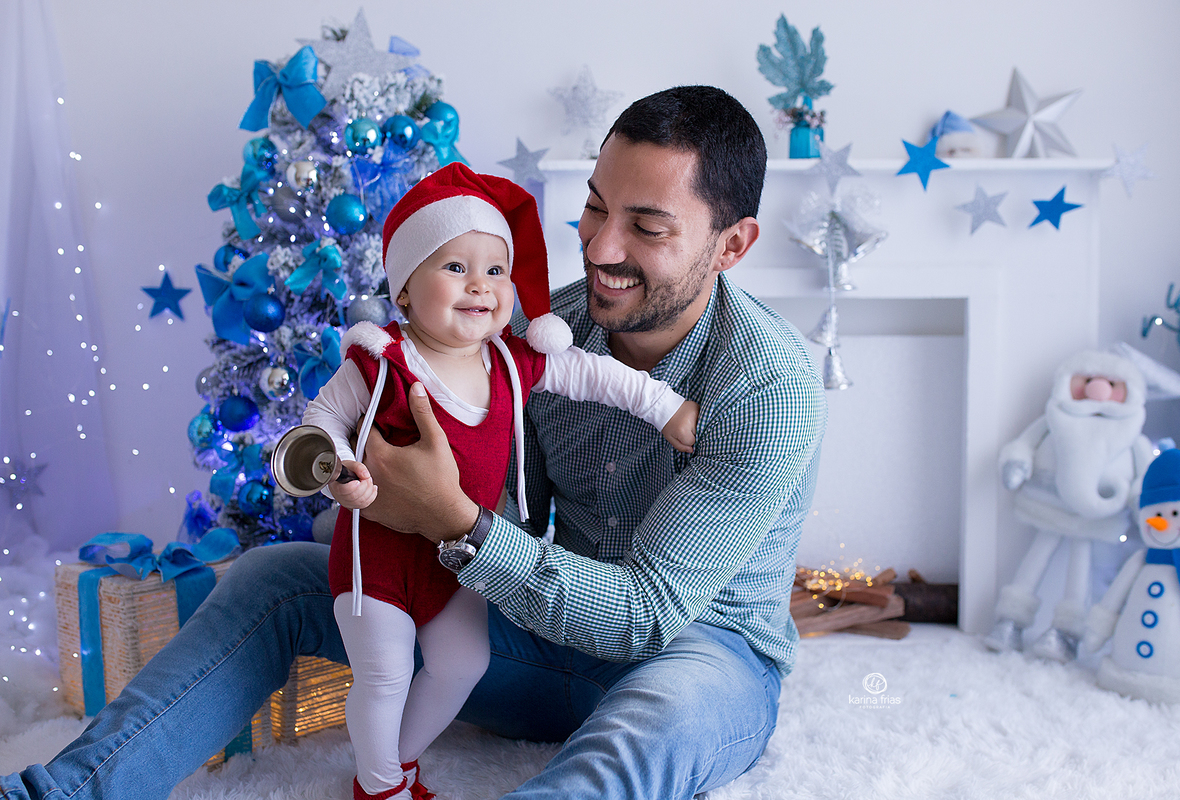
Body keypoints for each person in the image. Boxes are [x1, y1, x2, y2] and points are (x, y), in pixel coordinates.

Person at [1, 85, 826, 800]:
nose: (601, 247)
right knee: (275, 579)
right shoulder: (539, 331)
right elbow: (437, 422)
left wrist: (457, 522)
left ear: (732, 245)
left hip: (695, 655)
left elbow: (646, 617)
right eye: (596, 208)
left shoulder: (768, 387)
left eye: (646, 227)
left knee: (658, 723)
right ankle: (61, 790)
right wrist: (361, 463)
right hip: (541, 636)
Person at [301, 163, 698, 800]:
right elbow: (322, 420)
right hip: (374, 557)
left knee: (466, 663)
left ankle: (394, 763)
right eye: (455, 268)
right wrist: (339, 472)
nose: (480, 286)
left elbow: (597, 376)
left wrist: (665, 408)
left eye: (496, 270)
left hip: (458, 558)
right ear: (403, 290)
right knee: (385, 673)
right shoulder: (381, 363)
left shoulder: (513, 362)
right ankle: (378, 789)